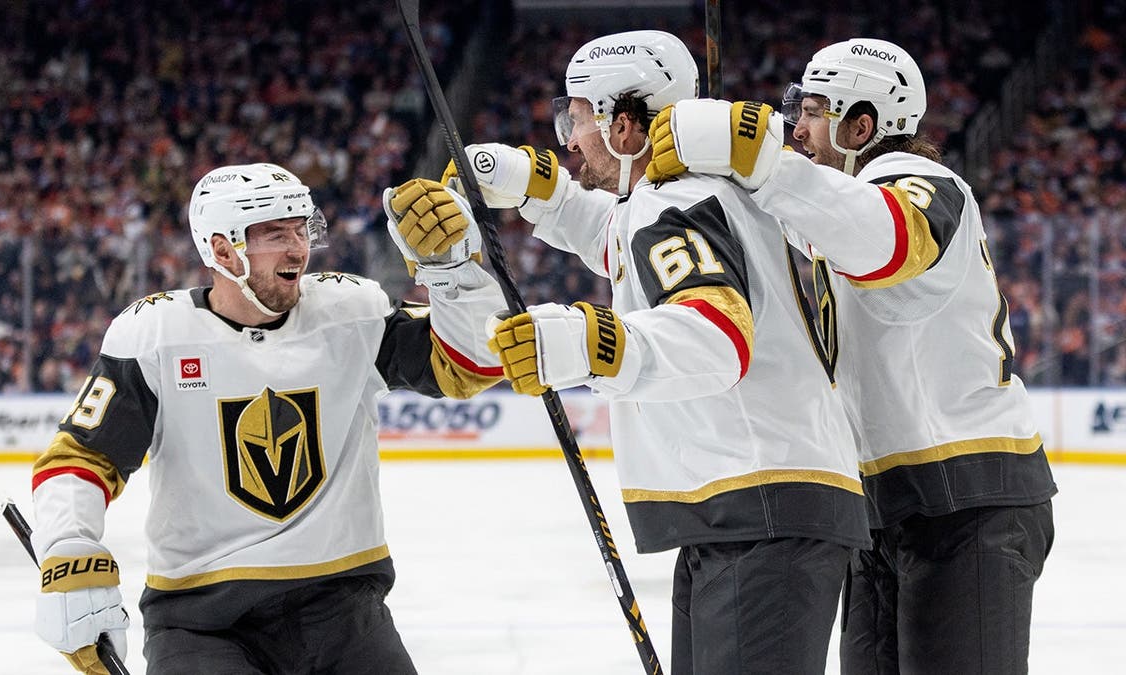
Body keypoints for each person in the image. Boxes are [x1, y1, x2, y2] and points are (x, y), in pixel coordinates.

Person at [451, 30, 868, 673]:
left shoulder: (677, 202)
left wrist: (590, 346)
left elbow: (715, 339)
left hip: (760, 504)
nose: (569, 138)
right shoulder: (686, 196)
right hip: (748, 504)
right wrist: (537, 193)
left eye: (579, 118)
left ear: (625, 127)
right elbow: (623, 243)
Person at [646, 37, 1057, 674]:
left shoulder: (924, 184)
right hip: (883, 511)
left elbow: (885, 238)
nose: (794, 129)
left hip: (973, 500)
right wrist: (556, 205)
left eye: (812, 112)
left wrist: (760, 163)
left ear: (861, 125)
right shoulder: (826, 209)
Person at [28, 163, 506, 674]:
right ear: (221, 249)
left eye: (301, 229)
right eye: (275, 235)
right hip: (201, 621)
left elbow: (470, 367)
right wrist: (70, 547)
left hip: (343, 609)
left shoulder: (352, 311)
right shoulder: (153, 336)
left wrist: (454, 273)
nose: (298, 249)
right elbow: (81, 456)